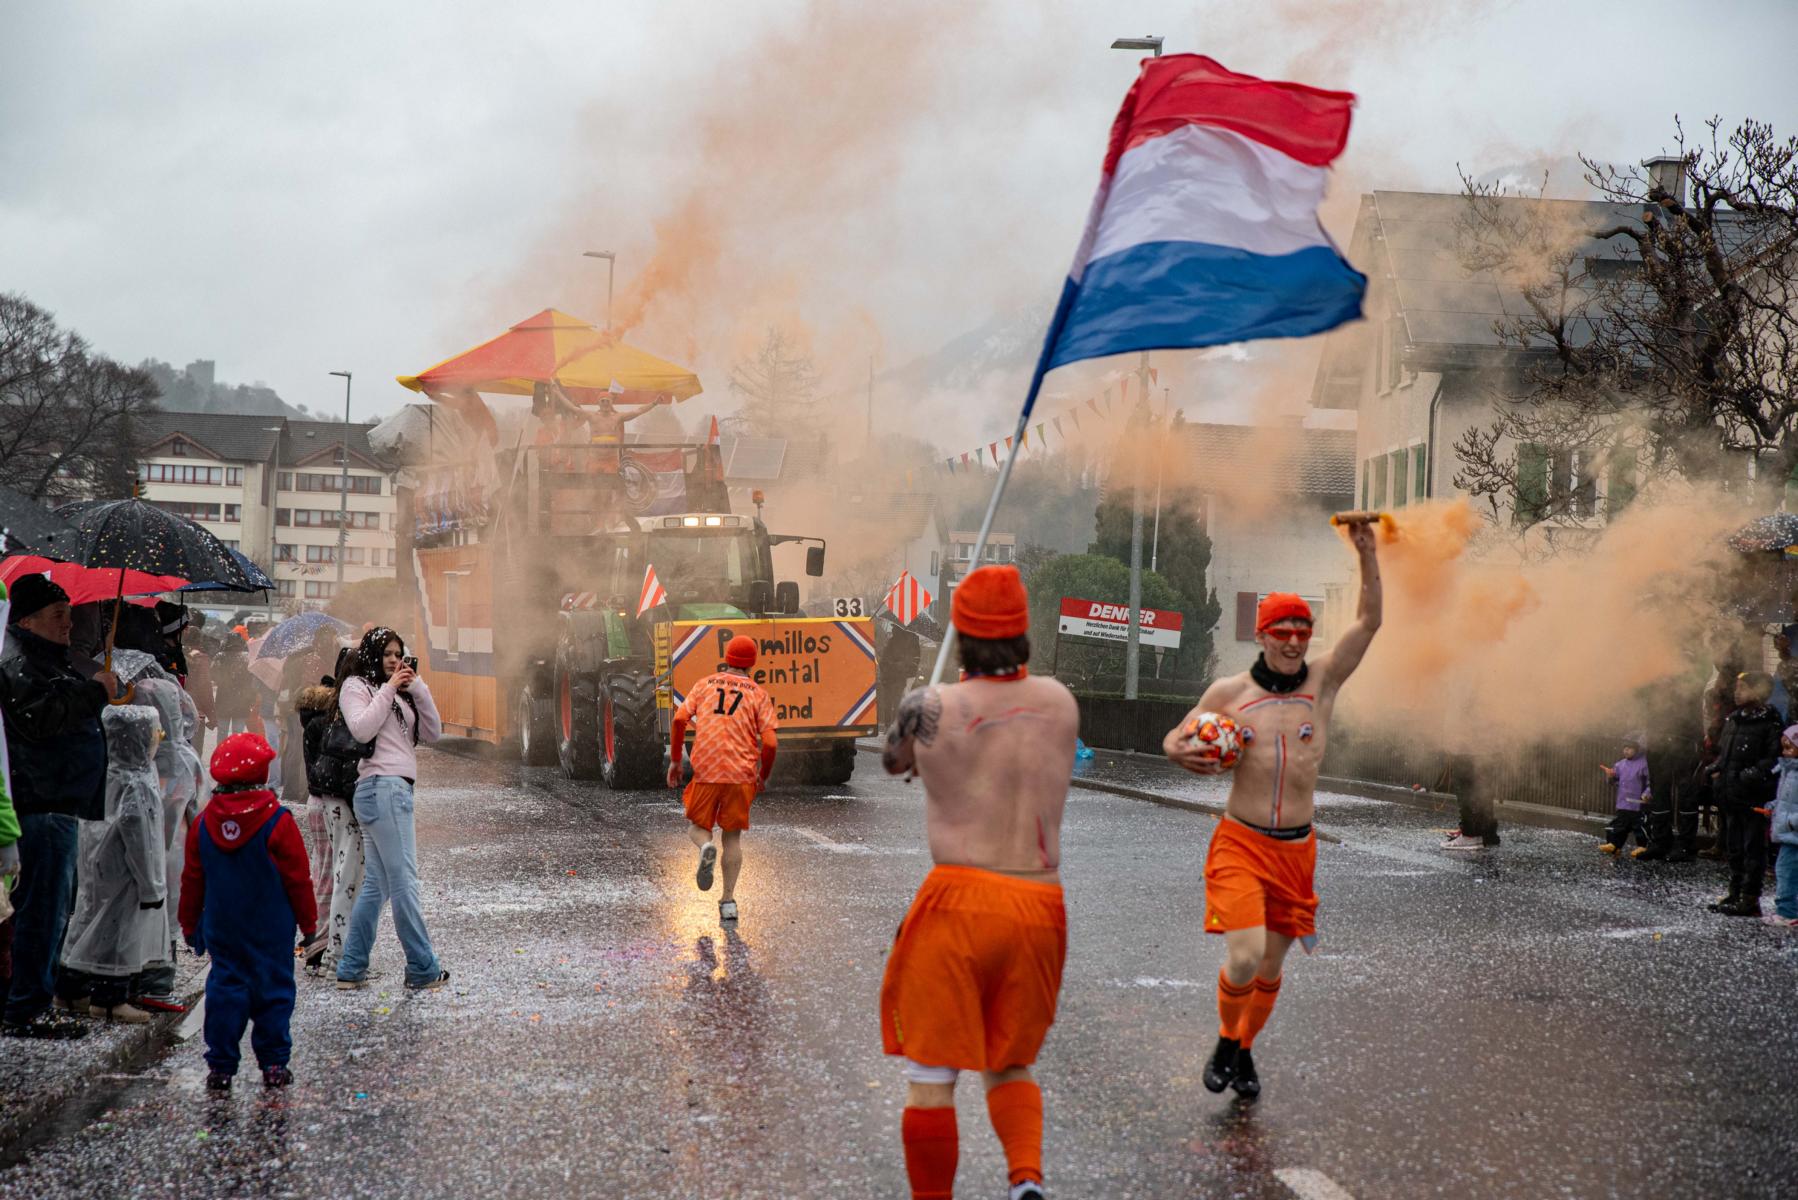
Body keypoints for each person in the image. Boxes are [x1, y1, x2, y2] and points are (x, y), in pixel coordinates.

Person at [1164, 520, 1383, 1102]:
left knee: (1270, 968)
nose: (1293, 642)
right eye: (1282, 632)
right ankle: (1223, 1043)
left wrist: (1367, 555)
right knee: (1244, 954)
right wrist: (1183, 751)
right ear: (1261, 636)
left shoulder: (1323, 682)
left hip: (1296, 850)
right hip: (1241, 842)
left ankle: (1244, 1048)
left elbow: (1369, 622)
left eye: (1302, 632)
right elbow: (1173, 738)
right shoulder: (1230, 694)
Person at [879, 565, 1078, 1200]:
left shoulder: (929, 707)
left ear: (960, 633)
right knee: (1010, 1057)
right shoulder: (1060, 702)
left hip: (959, 899)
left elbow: (893, 761)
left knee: (932, 1072)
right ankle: (1025, 1179)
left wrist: (927, 715)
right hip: (1037, 899)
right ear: (1023, 631)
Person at [0, 575, 118, 1039]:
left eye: (70, 614)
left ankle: (36, 998)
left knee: (55, 909)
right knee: (43, 911)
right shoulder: (20, 664)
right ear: (28, 620)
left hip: (61, 803)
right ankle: (27, 1007)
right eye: (58, 615)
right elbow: (40, 719)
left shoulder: (48, 660)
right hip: (42, 804)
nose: (69, 624)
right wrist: (94, 693)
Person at [179, 732, 317, 1090]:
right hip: (272, 928)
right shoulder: (278, 822)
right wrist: (310, 924)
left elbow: (192, 880)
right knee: (274, 991)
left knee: (226, 990)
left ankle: (221, 1066)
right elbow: (298, 878)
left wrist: (190, 923)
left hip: (224, 927)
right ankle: (273, 1063)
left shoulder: (204, 824)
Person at [334, 627, 448, 992]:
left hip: (390, 791)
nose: (393, 661)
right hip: (383, 789)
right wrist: (387, 689)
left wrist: (416, 687)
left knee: (377, 885)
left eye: (399, 655)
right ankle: (422, 967)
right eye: (386, 654)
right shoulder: (357, 687)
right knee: (404, 883)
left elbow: (433, 733)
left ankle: (351, 968)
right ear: (371, 655)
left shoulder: (399, 693)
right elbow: (362, 729)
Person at [58, 704, 167, 1024]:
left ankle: (70, 989)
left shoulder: (101, 771)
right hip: (125, 872)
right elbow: (141, 839)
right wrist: (152, 885)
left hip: (95, 867)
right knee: (119, 934)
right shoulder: (137, 783)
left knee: (87, 923)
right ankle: (110, 999)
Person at [667, 635, 778, 924]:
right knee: (732, 837)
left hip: (707, 769)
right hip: (741, 774)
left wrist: (677, 760)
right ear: (752, 662)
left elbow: (679, 720)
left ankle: (705, 847)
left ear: (727, 657)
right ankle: (728, 901)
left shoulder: (704, 684)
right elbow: (770, 744)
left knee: (697, 827)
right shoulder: (757, 694)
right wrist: (762, 775)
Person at [130, 679, 204, 1013]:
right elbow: (194, 808)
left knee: (153, 914)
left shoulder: (137, 757)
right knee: (162, 916)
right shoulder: (182, 757)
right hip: (173, 855)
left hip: (158, 856)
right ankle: (156, 982)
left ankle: (148, 980)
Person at [295, 671, 357, 974]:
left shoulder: (310, 725)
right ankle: (320, 942)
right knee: (331, 874)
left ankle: (316, 938)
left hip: (314, 802)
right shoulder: (325, 726)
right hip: (327, 802)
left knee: (322, 869)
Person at [1707, 671, 1783, 917]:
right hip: (1730, 795)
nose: (1737, 692)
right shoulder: (1734, 719)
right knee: (1734, 847)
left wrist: (1748, 775)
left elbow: (1773, 759)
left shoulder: (1770, 722)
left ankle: (1750, 899)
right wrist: (1716, 769)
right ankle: (1735, 892)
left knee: (1752, 847)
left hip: (1751, 797)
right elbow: (1724, 753)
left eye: (1743, 687)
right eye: (1737, 686)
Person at [1765, 725, 1798, 927]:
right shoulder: (1788, 770)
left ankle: (1787, 912)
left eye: (1790, 748)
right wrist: (1774, 807)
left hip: (1793, 833)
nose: (1785, 752)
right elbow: (1784, 799)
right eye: (1784, 748)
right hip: (1790, 832)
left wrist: (1789, 821)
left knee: (1785, 871)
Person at [1598, 734, 1652, 855]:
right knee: (1619, 826)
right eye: (1625, 747)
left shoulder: (1644, 764)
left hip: (1639, 804)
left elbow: (1650, 782)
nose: (1626, 750)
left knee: (1641, 827)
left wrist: (1647, 793)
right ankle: (1615, 845)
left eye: (1629, 748)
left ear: (1637, 749)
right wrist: (1610, 776)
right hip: (1623, 803)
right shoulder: (1620, 764)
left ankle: (1643, 846)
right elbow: (1615, 781)